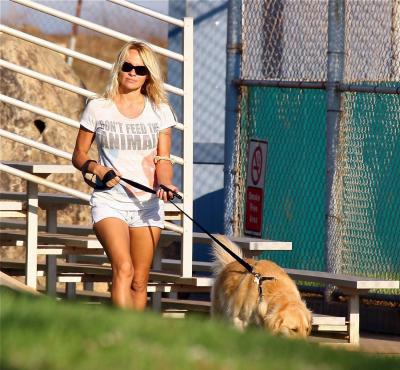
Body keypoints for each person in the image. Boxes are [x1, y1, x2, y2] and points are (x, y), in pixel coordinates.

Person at [72, 41, 178, 310]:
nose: (132, 73)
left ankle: (134, 339)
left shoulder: (160, 111)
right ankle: (120, 333)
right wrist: (97, 169)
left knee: (140, 282)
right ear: (118, 68)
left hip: (147, 205)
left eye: (140, 69)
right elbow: (79, 156)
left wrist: (165, 182)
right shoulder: (98, 107)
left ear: (148, 75)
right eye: (127, 66)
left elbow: (163, 160)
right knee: (124, 268)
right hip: (110, 201)